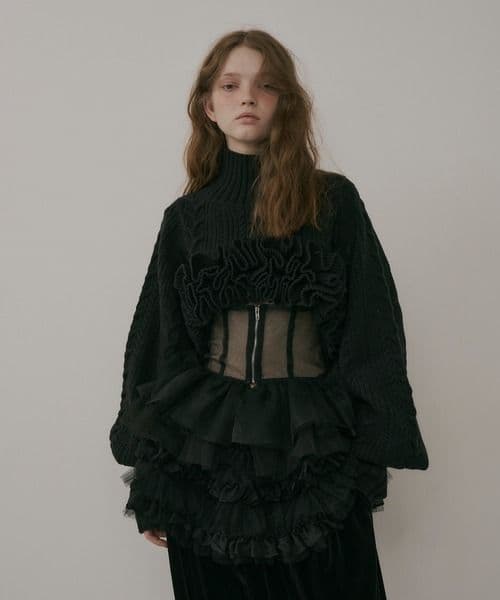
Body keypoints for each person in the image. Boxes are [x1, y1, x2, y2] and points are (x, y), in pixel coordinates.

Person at [109, 28, 429, 599]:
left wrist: (373, 447)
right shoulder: (186, 219)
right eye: (230, 85)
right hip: (206, 459)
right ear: (209, 107)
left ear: (287, 101)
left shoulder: (333, 200)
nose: (248, 98)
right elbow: (161, 342)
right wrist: (156, 479)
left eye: (265, 85)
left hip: (312, 447)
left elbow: (372, 327)